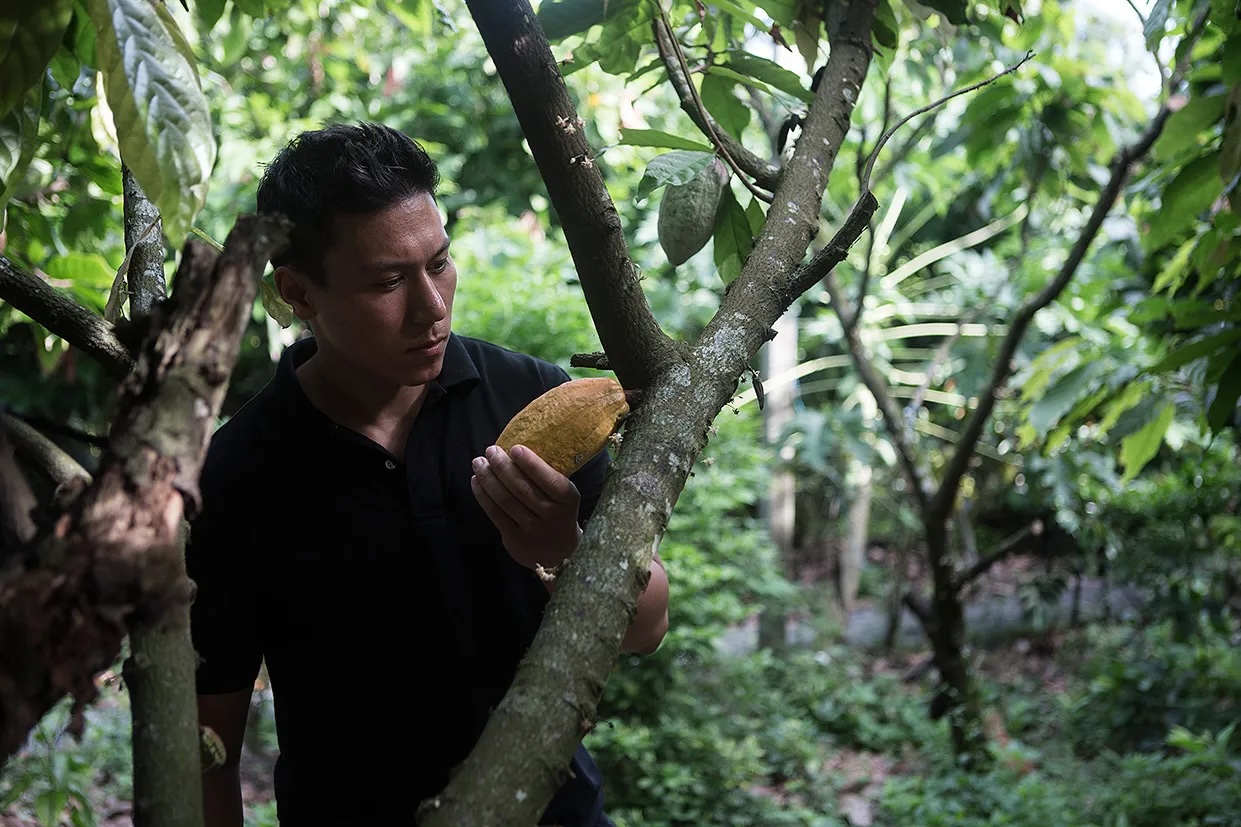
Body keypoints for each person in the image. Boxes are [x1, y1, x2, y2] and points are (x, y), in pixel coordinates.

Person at [186, 121, 670, 827]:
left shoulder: (532, 399)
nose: (432, 305)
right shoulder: (235, 474)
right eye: (387, 280)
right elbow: (209, 745)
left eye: (438, 263)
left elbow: (647, 625)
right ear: (299, 293)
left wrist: (564, 552)